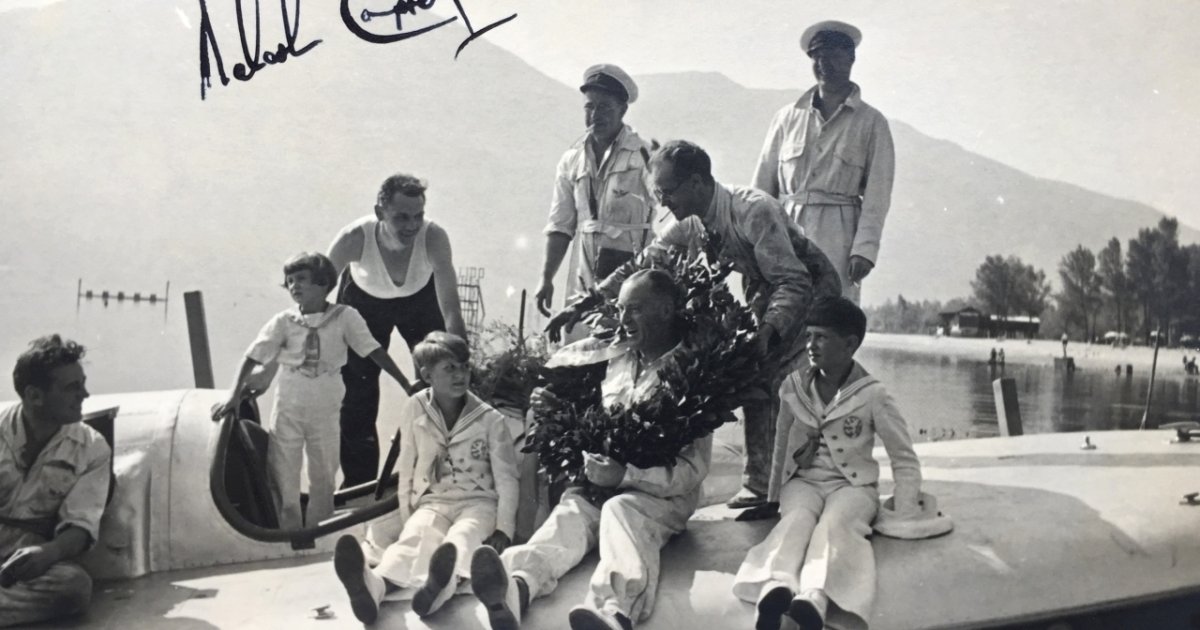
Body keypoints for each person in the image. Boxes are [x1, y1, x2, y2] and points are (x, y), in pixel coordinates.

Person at [547, 140, 842, 510]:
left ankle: (798, 482)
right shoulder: (689, 223)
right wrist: (583, 303)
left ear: (698, 183)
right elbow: (641, 265)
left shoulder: (754, 210)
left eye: (668, 192)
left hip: (812, 293)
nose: (663, 202)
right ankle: (761, 485)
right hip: (767, 291)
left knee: (782, 383)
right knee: (757, 380)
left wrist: (768, 331)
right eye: (658, 194)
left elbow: (793, 281)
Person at [472, 270, 712, 630]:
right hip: (605, 483)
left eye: (635, 309)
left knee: (620, 509)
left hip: (661, 496)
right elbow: (594, 424)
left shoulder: (694, 372)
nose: (624, 319)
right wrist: (558, 410)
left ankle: (614, 611)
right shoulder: (615, 361)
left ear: (666, 310)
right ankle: (517, 587)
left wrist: (626, 476)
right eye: (621, 309)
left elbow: (693, 470)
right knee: (572, 510)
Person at [733, 297, 923, 630]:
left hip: (852, 486)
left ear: (850, 344)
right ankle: (775, 586)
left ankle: (814, 600)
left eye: (821, 337)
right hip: (803, 482)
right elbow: (781, 447)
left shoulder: (873, 394)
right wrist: (773, 498)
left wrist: (905, 509)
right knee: (796, 520)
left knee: (835, 525)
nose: (810, 345)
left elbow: (903, 457)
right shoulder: (792, 387)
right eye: (808, 336)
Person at [212, 252, 412, 530]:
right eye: (290, 281)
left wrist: (405, 384)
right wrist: (234, 395)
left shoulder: (345, 317)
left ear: (322, 282)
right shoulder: (284, 321)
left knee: (324, 471)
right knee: (283, 471)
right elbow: (252, 356)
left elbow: (373, 350)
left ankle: (321, 528)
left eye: (301, 279)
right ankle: (288, 530)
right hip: (290, 401)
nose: (294, 285)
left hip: (325, 404)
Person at [332, 332, 518, 622]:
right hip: (433, 501)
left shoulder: (490, 419)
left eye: (464, 366)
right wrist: (409, 514)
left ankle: (435, 590)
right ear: (427, 375)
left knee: (462, 537)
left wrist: (503, 529)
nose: (460, 375)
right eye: (450, 368)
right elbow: (408, 465)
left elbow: (507, 478)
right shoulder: (415, 407)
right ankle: (373, 586)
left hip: (478, 503)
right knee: (415, 537)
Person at [328, 173, 467, 488]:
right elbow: (316, 295)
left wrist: (460, 359)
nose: (411, 225)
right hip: (364, 302)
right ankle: (358, 483)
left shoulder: (433, 237)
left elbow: (451, 309)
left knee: (439, 376)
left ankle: (438, 470)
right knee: (357, 392)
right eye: (401, 217)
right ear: (379, 212)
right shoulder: (353, 238)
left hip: (419, 301)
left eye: (418, 216)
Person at [751, 20, 895, 304]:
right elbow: (761, 189)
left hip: (838, 240)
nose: (824, 65)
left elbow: (878, 196)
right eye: (817, 57)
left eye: (834, 56)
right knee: (783, 312)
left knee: (832, 317)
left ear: (851, 59)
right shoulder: (786, 118)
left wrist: (864, 250)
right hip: (786, 234)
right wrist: (754, 240)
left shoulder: (872, 123)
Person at [0, 335, 111, 627]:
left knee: (73, 587)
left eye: (82, 384)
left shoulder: (91, 447)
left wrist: (49, 552)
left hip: (23, 568)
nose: (85, 394)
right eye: (72, 387)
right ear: (35, 396)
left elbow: (80, 525)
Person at [535, 64, 658, 323]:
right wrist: (546, 278)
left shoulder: (644, 155)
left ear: (622, 110)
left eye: (605, 107)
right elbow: (560, 225)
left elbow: (670, 211)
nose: (595, 115)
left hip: (632, 277)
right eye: (589, 107)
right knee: (579, 340)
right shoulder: (572, 160)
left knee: (627, 339)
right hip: (584, 275)